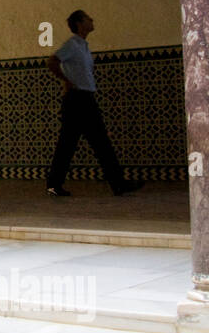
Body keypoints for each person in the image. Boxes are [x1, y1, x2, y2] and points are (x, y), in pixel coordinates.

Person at [45, 10, 142, 197]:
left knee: (83, 142)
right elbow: (52, 61)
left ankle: (56, 183)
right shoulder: (73, 44)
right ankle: (117, 183)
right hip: (77, 99)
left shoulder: (83, 46)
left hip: (85, 98)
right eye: (88, 18)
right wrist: (66, 80)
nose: (92, 20)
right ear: (80, 23)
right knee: (87, 142)